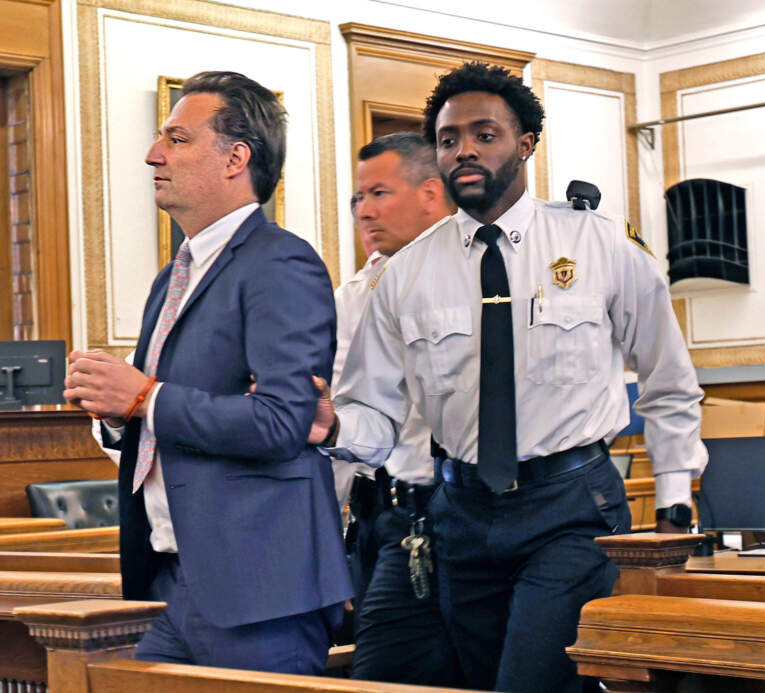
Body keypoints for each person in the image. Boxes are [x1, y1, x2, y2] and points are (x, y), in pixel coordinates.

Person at [328, 62, 707, 693]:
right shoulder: (406, 275)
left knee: (533, 679)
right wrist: (333, 426)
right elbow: (372, 411)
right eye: (449, 140)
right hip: (462, 515)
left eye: (485, 135)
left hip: (571, 506)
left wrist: (673, 506)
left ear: (526, 143)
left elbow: (668, 381)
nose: (465, 150)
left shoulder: (600, 244)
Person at [63, 70, 351, 673]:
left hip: (256, 586)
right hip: (164, 575)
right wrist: (114, 410)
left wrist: (145, 397)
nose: (154, 155)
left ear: (235, 158)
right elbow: (154, 412)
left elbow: (281, 424)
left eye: (177, 139)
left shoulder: (281, 263)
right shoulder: (172, 277)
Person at [324, 132, 462, 686]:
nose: (364, 211)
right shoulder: (351, 298)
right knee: (381, 672)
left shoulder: (484, 272)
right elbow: (338, 419)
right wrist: (327, 546)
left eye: (379, 193)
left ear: (431, 193)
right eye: (357, 198)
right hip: (386, 515)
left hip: (470, 510)